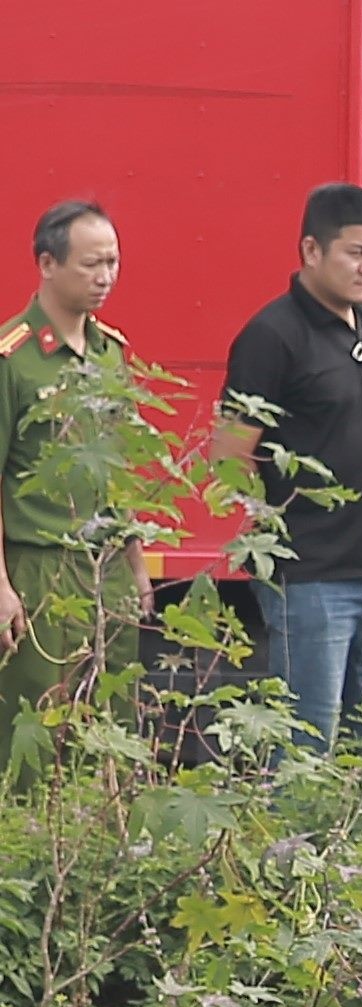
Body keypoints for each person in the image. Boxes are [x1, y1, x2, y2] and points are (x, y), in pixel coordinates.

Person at [219, 183, 362, 750]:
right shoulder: (272, 336)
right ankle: (291, 844)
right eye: (355, 253)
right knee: (304, 747)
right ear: (311, 251)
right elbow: (228, 457)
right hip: (313, 581)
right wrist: (276, 540)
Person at [0, 200, 136, 738]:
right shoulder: (15, 360)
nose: (105, 278)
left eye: (113, 263)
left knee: (109, 727)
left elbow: (121, 468)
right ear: (47, 263)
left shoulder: (111, 352)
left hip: (107, 567)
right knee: (35, 728)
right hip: (40, 567)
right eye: (90, 264)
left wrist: (137, 565)